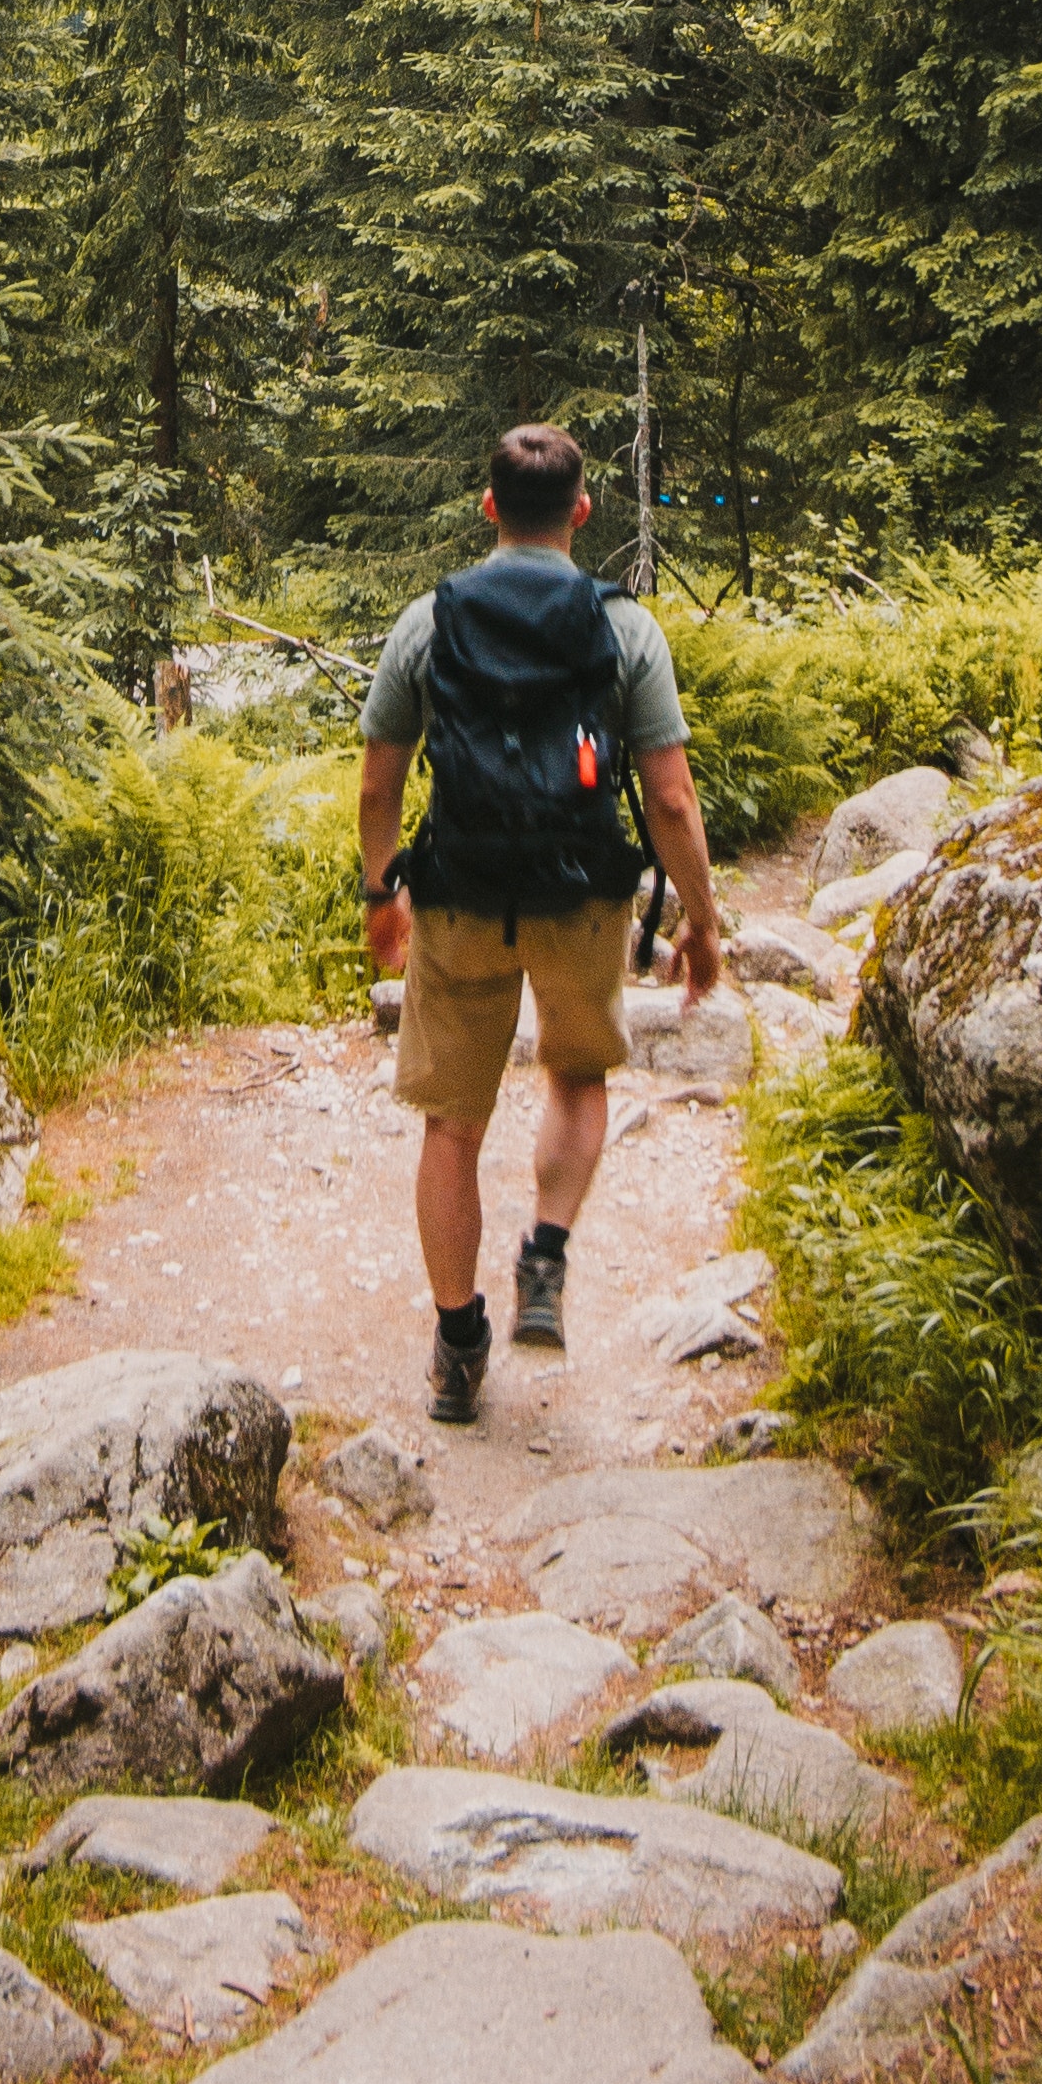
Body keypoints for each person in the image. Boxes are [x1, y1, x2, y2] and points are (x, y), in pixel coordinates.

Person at [354, 419, 726, 1423]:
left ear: (488, 510)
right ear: (581, 512)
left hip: (463, 895)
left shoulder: (427, 623)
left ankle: (459, 1340)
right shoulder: (626, 628)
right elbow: (673, 799)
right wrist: (701, 924)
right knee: (575, 1074)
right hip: (580, 897)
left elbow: (380, 779)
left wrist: (382, 891)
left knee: (451, 1123)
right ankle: (547, 1253)